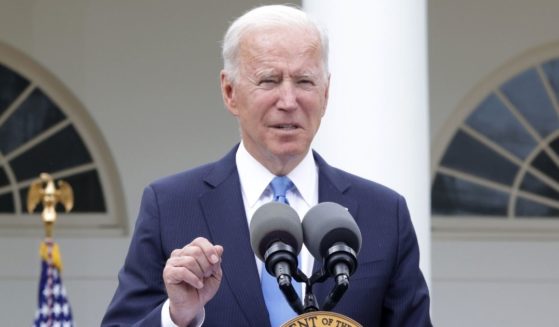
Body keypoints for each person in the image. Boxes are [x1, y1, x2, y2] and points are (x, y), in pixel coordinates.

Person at [102, 4, 431, 327]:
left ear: (326, 93)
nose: (288, 102)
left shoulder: (385, 213)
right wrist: (177, 316)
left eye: (304, 82)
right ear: (230, 92)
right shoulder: (171, 206)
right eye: (269, 81)